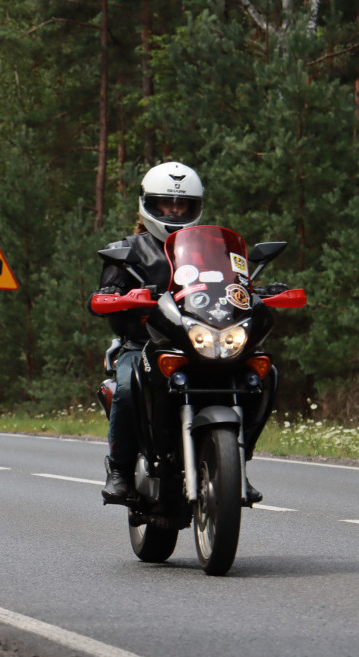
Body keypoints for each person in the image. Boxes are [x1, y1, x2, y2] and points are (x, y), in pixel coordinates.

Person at [89, 162, 264, 506]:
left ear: (195, 206)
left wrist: (261, 292)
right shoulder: (127, 249)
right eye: (165, 203)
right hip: (143, 345)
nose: (173, 210)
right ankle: (121, 471)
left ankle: (237, 465)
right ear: (147, 204)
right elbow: (103, 294)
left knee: (260, 375)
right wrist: (118, 295)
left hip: (202, 342)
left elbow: (236, 284)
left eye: (181, 205)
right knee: (126, 386)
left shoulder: (214, 248)